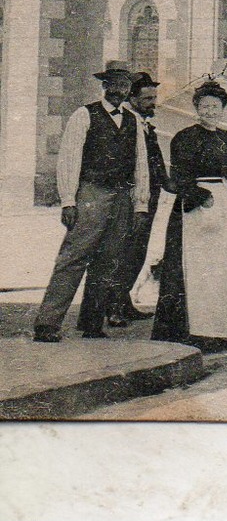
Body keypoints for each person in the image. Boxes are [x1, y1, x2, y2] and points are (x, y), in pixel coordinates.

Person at [33, 61, 151, 343]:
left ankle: (92, 322)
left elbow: (141, 164)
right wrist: (68, 200)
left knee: (109, 260)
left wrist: (141, 204)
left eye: (124, 85)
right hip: (91, 193)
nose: (118, 90)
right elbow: (69, 158)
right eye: (114, 84)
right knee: (74, 257)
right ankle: (47, 324)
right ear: (104, 85)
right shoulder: (84, 115)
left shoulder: (133, 120)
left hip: (122, 196)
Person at [153, 79, 227, 345]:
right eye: (204, 106)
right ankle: (196, 330)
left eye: (215, 106)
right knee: (196, 268)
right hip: (195, 206)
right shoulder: (185, 137)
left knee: (223, 267)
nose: (210, 111)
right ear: (196, 108)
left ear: (223, 108)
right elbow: (178, 175)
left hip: (224, 203)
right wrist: (199, 196)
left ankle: (223, 329)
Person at [111, 71, 167, 326]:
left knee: (138, 251)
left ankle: (123, 302)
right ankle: (113, 307)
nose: (153, 102)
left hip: (150, 197)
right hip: (132, 199)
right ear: (131, 98)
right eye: (147, 98)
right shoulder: (125, 123)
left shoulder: (145, 123)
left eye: (154, 97)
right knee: (124, 252)